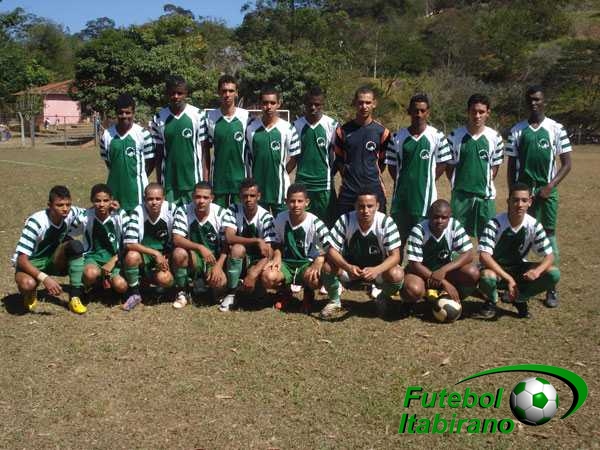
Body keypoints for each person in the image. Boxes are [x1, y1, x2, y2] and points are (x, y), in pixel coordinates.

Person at [506, 85, 572, 308]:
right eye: (530, 100)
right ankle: (517, 282)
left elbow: (567, 164)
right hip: (523, 194)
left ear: (544, 101)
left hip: (546, 194)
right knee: (521, 233)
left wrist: (550, 186)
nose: (533, 103)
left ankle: (551, 286)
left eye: (537, 99)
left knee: (549, 234)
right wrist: (513, 192)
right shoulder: (517, 130)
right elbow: (511, 165)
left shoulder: (556, 128)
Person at [476, 183, 560, 319]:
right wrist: (508, 278)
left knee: (553, 273)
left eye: (524, 200)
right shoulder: (495, 223)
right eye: (515, 200)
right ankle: (492, 300)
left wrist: (536, 272)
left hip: (518, 269)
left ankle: (520, 298)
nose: (519, 205)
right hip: (497, 270)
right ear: (508, 201)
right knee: (487, 277)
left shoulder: (534, 225)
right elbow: (484, 256)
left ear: (530, 202)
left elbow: (549, 256)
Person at [320, 189, 404, 319]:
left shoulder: (386, 222)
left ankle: (382, 297)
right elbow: (331, 250)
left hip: (377, 272)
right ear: (355, 206)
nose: (365, 211)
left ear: (377, 206)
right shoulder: (346, 219)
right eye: (361, 206)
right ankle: (334, 301)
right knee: (327, 267)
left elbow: (396, 256)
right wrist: (348, 267)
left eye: (370, 206)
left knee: (397, 274)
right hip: (350, 271)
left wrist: (376, 270)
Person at [386, 93, 452, 250]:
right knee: (396, 244)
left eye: (422, 111)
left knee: (422, 245)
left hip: (425, 202)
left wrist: (427, 179)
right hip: (401, 202)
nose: (419, 114)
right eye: (415, 110)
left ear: (428, 112)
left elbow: (442, 163)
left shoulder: (437, 136)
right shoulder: (397, 137)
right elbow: (392, 166)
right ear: (409, 111)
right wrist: (404, 180)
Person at [261, 183, 336, 312]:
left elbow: (331, 246)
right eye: (292, 201)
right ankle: (284, 292)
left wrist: (320, 259)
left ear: (307, 202)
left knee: (314, 279)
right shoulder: (280, 218)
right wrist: (277, 256)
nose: (296, 205)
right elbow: (274, 241)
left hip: (306, 263)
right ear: (286, 202)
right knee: (268, 277)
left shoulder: (315, 222)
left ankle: (308, 294)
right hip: (286, 263)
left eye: (300, 201)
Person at [12, 185, 86, 314]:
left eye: (68, 204)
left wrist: (113, 206)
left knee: (75, 246)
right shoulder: (36, 222)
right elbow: (22, 260)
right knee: (28, 284)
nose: (65, 209)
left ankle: (75, 296)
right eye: (59, 205)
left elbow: (92, 211)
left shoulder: (71, 213)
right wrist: (45, 279)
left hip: (52, 259)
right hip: (31, 262)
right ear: (49, 205)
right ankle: (30, 293)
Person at [401, 199, 479, 308]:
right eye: (436, 217)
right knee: (412, 289)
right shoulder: (419, 230)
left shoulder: (454, 226)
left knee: (472, 273)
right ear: (429, 215)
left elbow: (469, 254)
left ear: (450, 217)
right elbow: (415, 264)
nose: (440, 221)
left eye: (444, 217)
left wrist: (443, 270)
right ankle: (413, 301)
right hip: (422, 274)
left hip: (445, 273)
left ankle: (452, 299)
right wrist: (443, 282)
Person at [446, 94, 504, 238]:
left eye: (481, 112)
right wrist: (460, 184)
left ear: (488, 113)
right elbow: (450, 167)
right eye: (474, 111)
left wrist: (482, 183)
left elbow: (494, 168)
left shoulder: (495, 138)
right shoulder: (454, 136)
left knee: (488, 240)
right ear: (468, 112)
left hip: (485, 198)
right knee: (455, 239)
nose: (477, 116)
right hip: (460, 198)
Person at [171, 181, 232, 309]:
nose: (201, 201)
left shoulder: (221, 213)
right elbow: (177, 239)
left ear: (212, 198)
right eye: (198, 197)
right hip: (193, 257)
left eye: (205, 197)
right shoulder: (183, 210)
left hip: (213, 259)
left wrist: (219, 266)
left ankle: (211, 288)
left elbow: (227, 244)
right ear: (192, 196)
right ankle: (182, 291)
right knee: (179, 253)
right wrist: (199, 247)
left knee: (219, 283)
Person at [220, 178, 276, 311]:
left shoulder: (266, 217)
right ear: (240, 196)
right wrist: (257, 240)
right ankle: (232, 292)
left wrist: (253, 274)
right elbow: (229, 237)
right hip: (238, 258)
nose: (248, 199)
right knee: (237, 248)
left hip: (257, 261)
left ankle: (252, 290)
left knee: (254, 295)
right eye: (245, 196)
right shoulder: (234, 209)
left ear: (259, 196)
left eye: (252, 196)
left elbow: (269, 252)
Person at [151, 75, 207, 205]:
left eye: (179, 93)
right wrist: (159, 182)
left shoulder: (198, 115)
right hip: (169, 183)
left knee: (193, 217)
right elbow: (158, 155)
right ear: (167, 94)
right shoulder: (158, 118)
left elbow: (205, 152)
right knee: (171, 217)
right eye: (172, 93)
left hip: (193, 182)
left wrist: (205, 181)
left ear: (186, 93)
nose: (176, 96)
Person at [121, 183, 178, 311]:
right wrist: (155, 253)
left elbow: (180, 237)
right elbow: (129, 243)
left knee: (165, 279)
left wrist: (168, 256)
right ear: (144, 199)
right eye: (150, 199)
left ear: (163, 198)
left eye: (158, 199)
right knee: (131, 256)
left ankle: (174, 289)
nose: (154, 202)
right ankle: (135, 293)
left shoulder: (171, 209)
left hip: (166, 255)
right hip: (145, 255)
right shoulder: (138, 211)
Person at [334, 86, 390, 215]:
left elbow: (382, 162)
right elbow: (339, 160)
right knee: (345, 225)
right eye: (360, 102)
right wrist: (350, 176)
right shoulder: (342, 131)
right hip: (349, 190)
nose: (364, 106)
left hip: (374, 189)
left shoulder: (383, 132)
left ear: (374, 104)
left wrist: (370, 174)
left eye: (368, 102)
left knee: (377, 226)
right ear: (354, 103)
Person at [288, 86, 339, 226]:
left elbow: (339, 155)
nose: (313, 107)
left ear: (323, 104)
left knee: (327, 223)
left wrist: (333, 173)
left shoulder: (332, 125)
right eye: (310, 104)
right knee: (302, 222)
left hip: (324, 184)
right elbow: (293, 158)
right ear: (305, 104)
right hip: (302, 182)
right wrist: (283, 175)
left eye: (317, 104)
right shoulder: (296, 126)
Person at [246, 86, 300, 216]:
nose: (268, 107)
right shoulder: (251, 128)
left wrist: (282, 172)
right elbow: (248, 158)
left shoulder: (288, 128)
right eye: (265, 103)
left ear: (278, 104)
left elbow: (295, 157)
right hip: (257, 189)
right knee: (259, 225)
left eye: (272, 103)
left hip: (280, 190)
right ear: (260, 104)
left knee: (282, 224)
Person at [69, 184, 128, 298]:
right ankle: (90, 285)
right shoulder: (85, 216)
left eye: (105, 200)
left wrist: (113, 261)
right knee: (90, 274)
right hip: (93, 257)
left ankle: (108, 282)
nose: (101, 204)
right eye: (97, 201)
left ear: (111, 200)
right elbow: (69, 234)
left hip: (115, 259)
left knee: (121, 286)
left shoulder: (120, 215)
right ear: (92, 200)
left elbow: (131, 241)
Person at [100, 93, 155, 213]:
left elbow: (150, 162)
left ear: (133, 113)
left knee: (136, 222)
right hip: (114, 189)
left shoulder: (143, 134)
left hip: (137, 192)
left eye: (128, 112)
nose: (124, 116)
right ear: (116, 113)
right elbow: (108, 162)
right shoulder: (106, 135)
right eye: (120, 113)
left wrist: (136, 176)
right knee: (115, 220)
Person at [203, 75, 251, 208]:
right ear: (219, 93)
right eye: (224, 91)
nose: (227, 94)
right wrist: (206, 180)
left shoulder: (246, 117)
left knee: (239, 217)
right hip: (218, 180)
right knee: (218, 217)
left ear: (236, 93)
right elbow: (205, 151)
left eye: (231, 91)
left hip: (240, 179)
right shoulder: (210, 118)